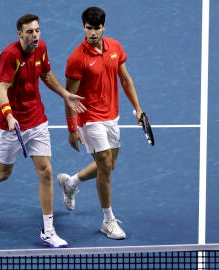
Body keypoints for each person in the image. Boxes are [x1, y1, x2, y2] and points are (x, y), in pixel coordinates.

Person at [0, 13, 86, 248]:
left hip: (37, 119)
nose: (34, 35)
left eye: (37, 31)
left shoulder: (41, 48)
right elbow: (1, 87)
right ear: (19, 34)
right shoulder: (10, 55)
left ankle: (48, 230)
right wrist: (9, 114)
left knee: (47, 172)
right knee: (3, 173)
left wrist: (65, 94)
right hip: (12, 125)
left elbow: (47, 75)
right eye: (29, 32)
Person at [57, 6, 144, 240]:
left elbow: (125, 79)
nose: (92, 33)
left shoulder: (115, 47)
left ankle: (71, 182)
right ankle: (108, 220)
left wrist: (138, 109)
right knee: (105, 165)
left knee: (109, 165)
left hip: (112, 116)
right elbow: (70, 96)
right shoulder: (77, 58)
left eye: (96, 28)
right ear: (83, 27)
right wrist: (72, 128)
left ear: (103, 27)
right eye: (88, 28)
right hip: (90, 117)